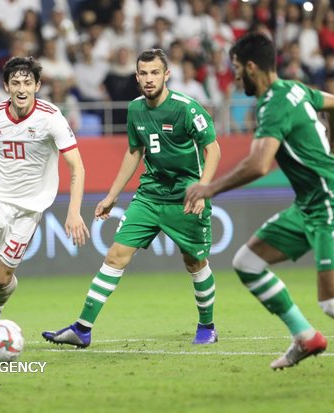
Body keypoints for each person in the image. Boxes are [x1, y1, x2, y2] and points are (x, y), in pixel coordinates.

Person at [184, 33, 334, 383]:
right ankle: (305, 337)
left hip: (332, 205)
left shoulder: (272, 104)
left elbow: (259, 165)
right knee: (246, 263)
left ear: (251, 67)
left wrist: (210, 188)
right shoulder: (295, 89)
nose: (234, 77)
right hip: (308, 205)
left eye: (236, 69)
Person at [42, 48, 222, 347]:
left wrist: (203, 190)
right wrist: (112, 196)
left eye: (155, 73)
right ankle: (82, 329)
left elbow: (213, 150)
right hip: (150, 196)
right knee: (114, 256)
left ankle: (207, 326)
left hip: (187, 198)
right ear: (136, 77)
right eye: (144, 73)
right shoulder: (136, 109)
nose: (149, 79)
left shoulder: (187, 108)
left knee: (195, 262)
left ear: (167, 75)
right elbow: (134, 152)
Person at [0, 57, 90, 360]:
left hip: (28, 209)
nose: (22, 89)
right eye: (16, 83)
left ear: (37, 86)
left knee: (2, 280)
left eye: (28, 83)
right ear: (6, 87)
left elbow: (77, 166)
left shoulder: (52, 118)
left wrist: (74, 211)